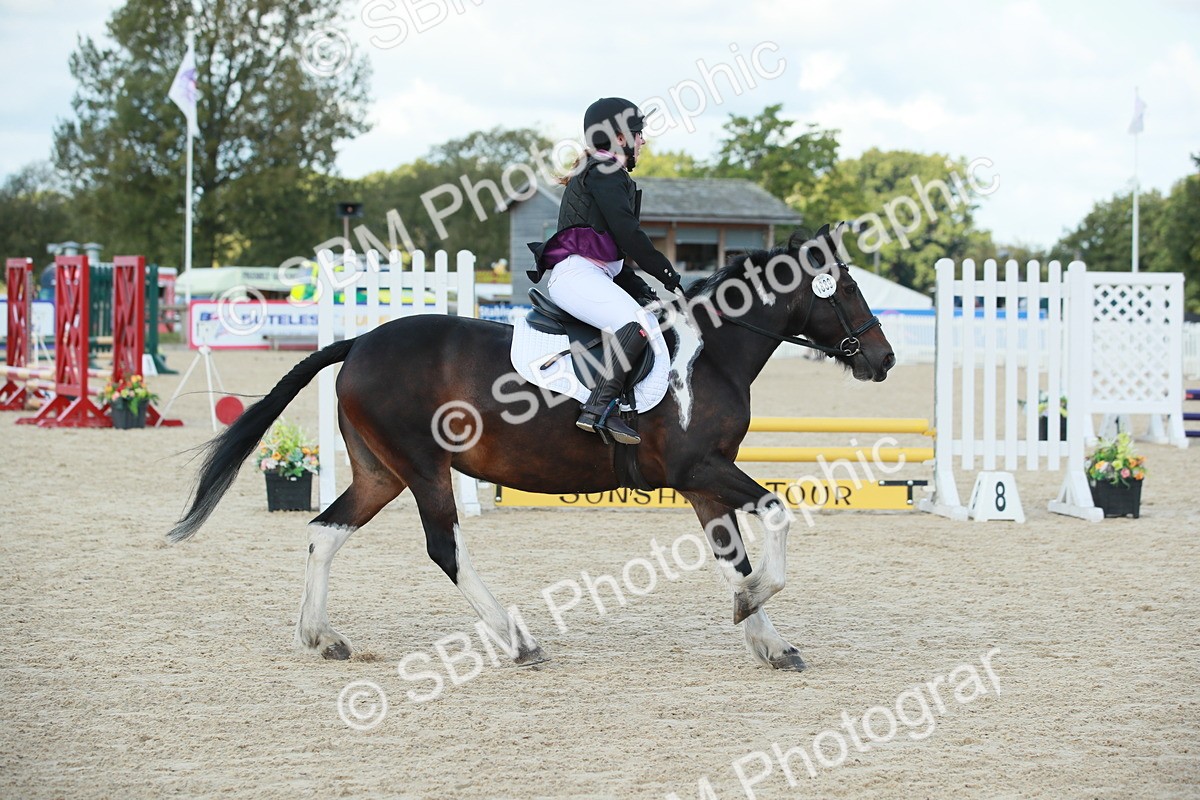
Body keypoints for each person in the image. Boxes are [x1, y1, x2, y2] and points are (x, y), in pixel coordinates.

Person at [527, 97, 683, 445]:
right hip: (577, 277)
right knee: (639, 325)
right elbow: (628, 233)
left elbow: (614, 251)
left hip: (592, 275)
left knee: (647, 315)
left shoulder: (604, 172)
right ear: (619, 136)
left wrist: (643, 287)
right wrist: (666, 272)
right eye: (638, 133)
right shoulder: (604, 171)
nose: (642, 140)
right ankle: (598, 409)